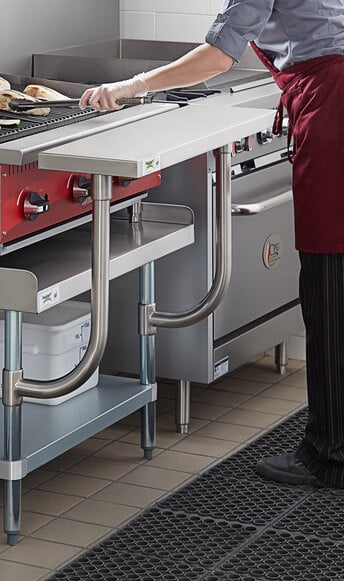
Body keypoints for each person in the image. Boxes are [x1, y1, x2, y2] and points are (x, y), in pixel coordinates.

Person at [80, 1, 344, 489]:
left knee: (330, 286)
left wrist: (130, 86)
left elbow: (218, 56)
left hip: (334, 109)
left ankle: (330, 455)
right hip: (330, 97)